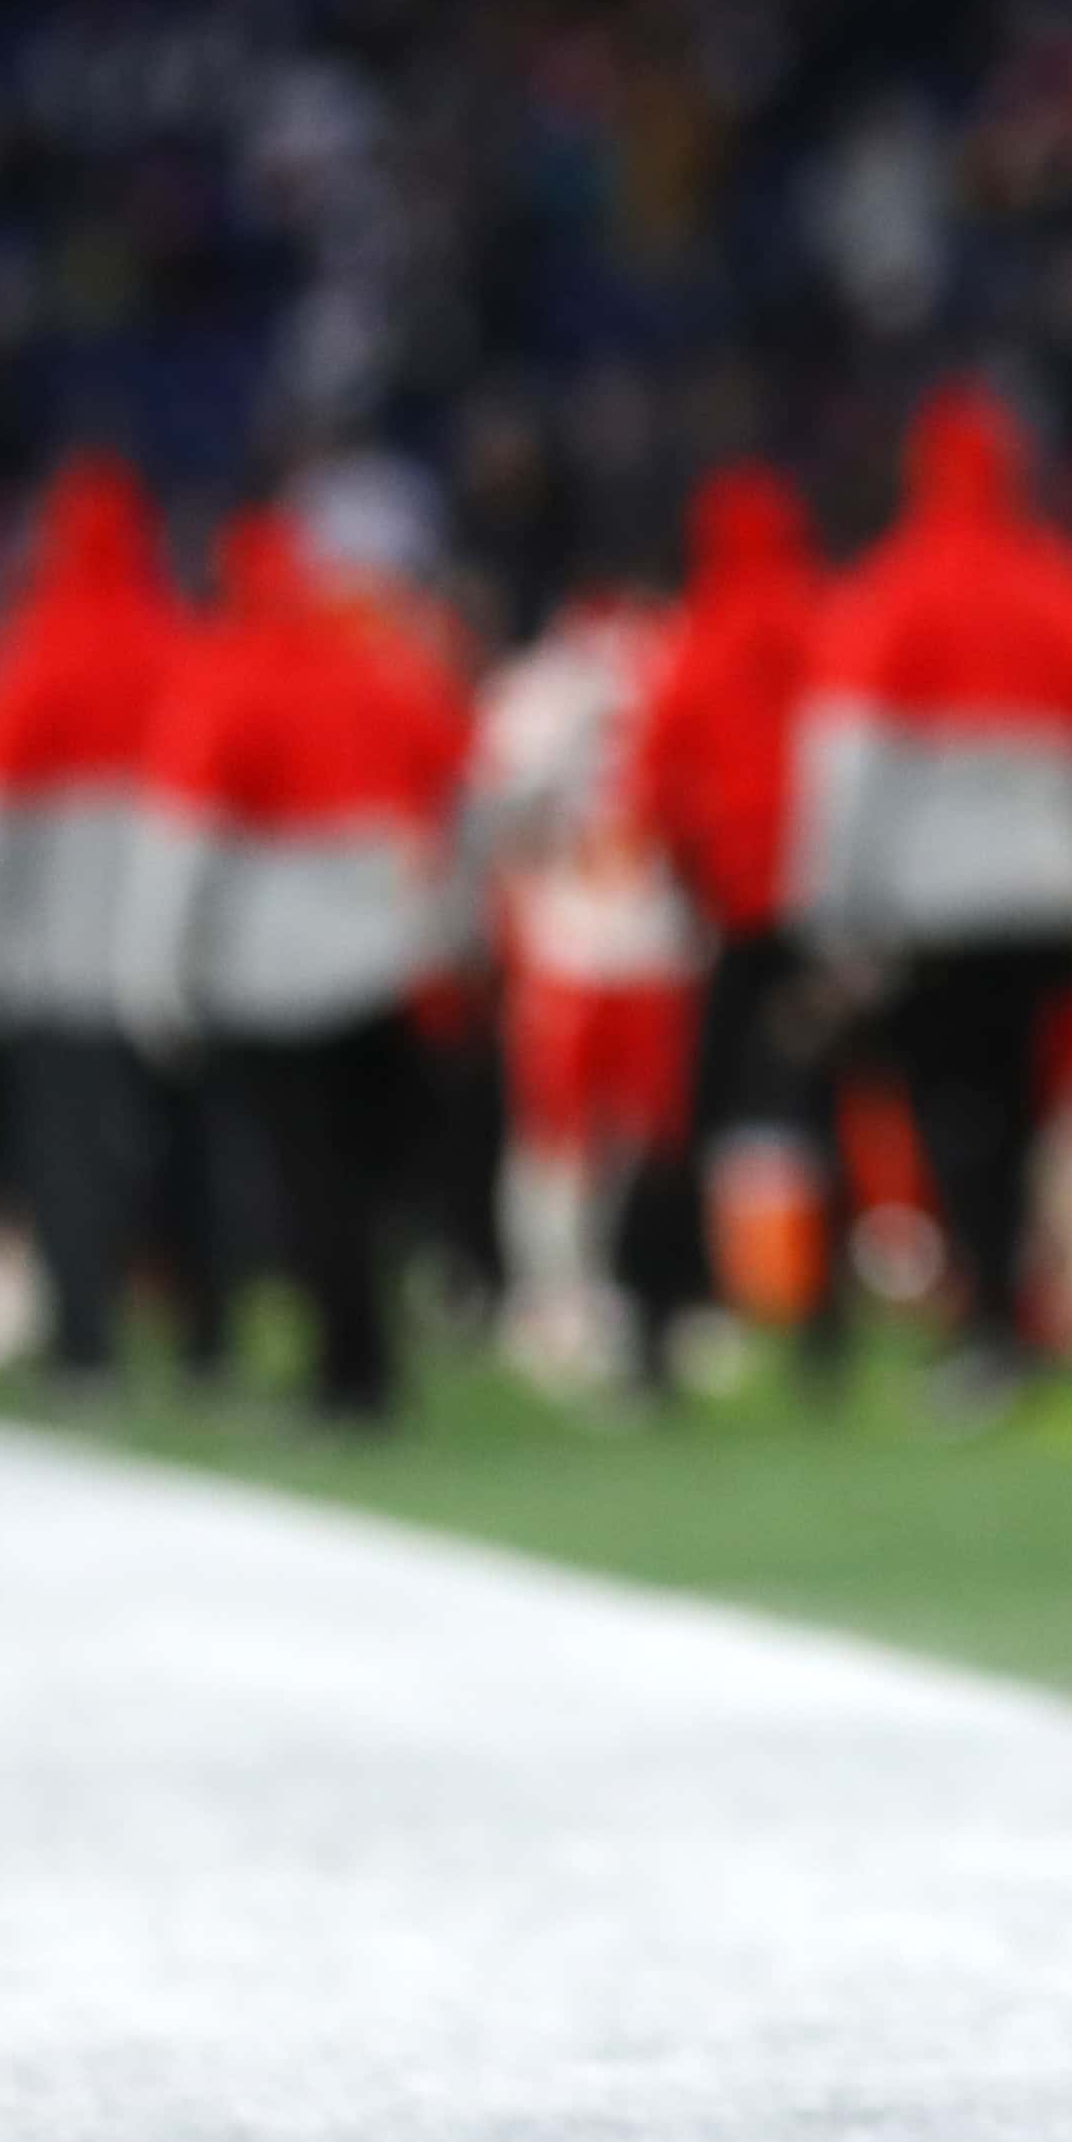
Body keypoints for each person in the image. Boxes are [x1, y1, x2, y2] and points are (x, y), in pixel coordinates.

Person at [805, 387, 1072, 1415]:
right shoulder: (1069, 587)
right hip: (1053, 904)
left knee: (955, 1123)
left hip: (937, 911)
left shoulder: (890, 589)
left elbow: (848, 770)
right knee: (1024, 1115)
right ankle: (1023, 1310)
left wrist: (832, 908)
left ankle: (989, 1323)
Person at [121, 507, 469, 1428]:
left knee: (307, 1186)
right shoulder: (383, 672)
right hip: (387, 963)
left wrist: (156, 975)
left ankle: (343, 1380)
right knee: (367, 1184)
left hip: (272, 979)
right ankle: (373, 1364)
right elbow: (459, 786)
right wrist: (447, 921)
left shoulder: (221, 681)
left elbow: (180, 851)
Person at [0, 454, 207, 1390]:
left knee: (64, 1156)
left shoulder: (34, 651)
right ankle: (206, 1343)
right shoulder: (182, 647)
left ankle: (86, 1343)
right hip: (181, 970)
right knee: (185, 1152)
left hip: (55, 968)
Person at [626, 465, 840, 1382]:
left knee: (694, 1111)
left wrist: (691, 872)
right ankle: (822, 1321)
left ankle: (662, 1305)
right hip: (826, 907)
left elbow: (656, 777)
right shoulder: (833, 623)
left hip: (726, 910)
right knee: (828, 1109)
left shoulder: (697, 639)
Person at [466, 583, 691, 1399]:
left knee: (637, 1136)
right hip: (566, 945)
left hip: (653, 942)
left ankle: (619, 1289)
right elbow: (495, 819)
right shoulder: (535, 698)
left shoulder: (675, 668)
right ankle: (550, 1296)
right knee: (557, 1139)